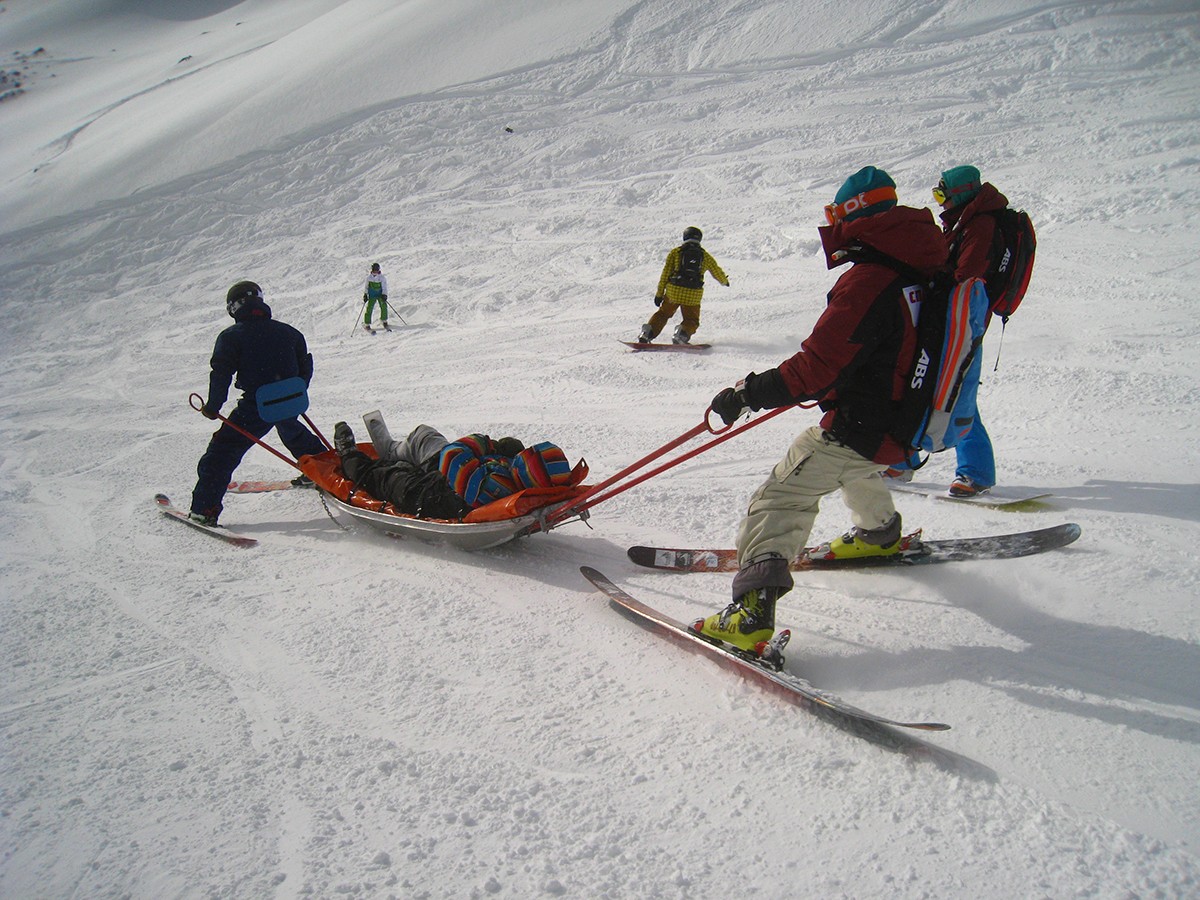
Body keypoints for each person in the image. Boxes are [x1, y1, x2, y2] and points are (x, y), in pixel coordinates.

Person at [698, 166, 948, 652]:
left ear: (852, 214)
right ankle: (880, 533)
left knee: (781, 498)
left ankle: (750, 614)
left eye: (833, 213)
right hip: (900, 423)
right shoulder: (920, 266)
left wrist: (747, 394)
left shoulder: (871, 279)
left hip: (864, 424)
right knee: (855, 465)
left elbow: (815, 368)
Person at [189, 281, 325, 525]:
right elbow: (306, 366)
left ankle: (204, 510)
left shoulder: (232, 337)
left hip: (257, 405)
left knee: (221, 453)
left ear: (234, 308)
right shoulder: (289, 332)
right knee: (292, 430)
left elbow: (221, 373)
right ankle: (325, 473)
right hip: (289, 400)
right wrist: (292, 392)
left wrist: (213, 407)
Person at [333, 413, 579, 519]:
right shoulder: (517, 477)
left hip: (426, 492)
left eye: (528, 456)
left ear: (527, 472)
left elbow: (452, 455)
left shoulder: (493, 487)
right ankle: (395, 454)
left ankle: (348, 455)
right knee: (423, 434)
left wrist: (486, 443)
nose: (523, 453)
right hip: (443, 476)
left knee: (379, 476)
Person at [637, 226, 729, 345]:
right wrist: (725, 281)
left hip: (673, 292)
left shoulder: (676, 252)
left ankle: (647, 333)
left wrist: (659, 294)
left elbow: (665, 274)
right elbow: (716, 271)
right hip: (693, 294)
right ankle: (681, 334)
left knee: (663, 314)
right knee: (691, 320)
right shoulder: (705, 256)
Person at [362, 263, 389, 331]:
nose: (375, 271)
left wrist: (384, 294)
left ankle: (384, 320)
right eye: (374, 270)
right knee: (369, 308)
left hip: (380, 294)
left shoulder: (382, 278)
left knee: (383, 306)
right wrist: (365, 295)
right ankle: (367, 323)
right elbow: (366, 287)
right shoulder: (369, 278)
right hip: (372, 295)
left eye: (376, 270)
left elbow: (384, 287)